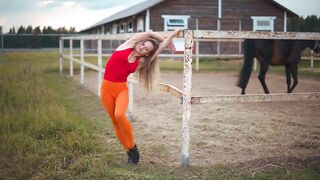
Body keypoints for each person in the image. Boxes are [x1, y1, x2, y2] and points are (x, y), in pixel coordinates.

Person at [100, 28, 181, 164]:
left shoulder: (142, 62)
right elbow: (149, 33)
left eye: (146, 49)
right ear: (140, 42)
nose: (143, 48)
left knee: (119, 115)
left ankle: (133, 148)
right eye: (143, 44)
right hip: (106, 89)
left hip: (121, 89)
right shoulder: (126, 45)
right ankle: (130, 153)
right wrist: (166, 40)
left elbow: (158, 50)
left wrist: (172, 36)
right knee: (115, 122)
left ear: (147, 54)